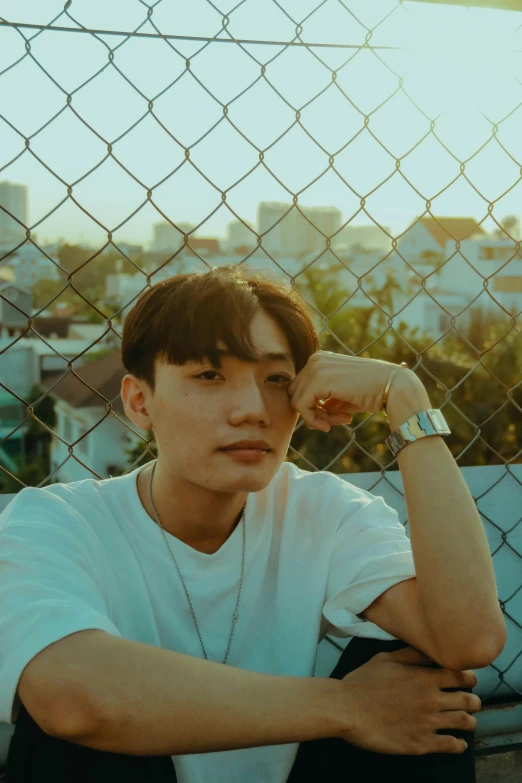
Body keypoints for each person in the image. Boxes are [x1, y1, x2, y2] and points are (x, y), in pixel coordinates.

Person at [0, 265, 505, 783]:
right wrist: (347, 706)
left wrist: (406, 399)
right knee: (71, 725)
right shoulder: (55, 520)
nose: (252, 409)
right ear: (139, 401)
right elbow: (71, 699)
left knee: (424, 678)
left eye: (277, 379)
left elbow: (468, 640)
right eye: (210, 376)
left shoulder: (323, 511)